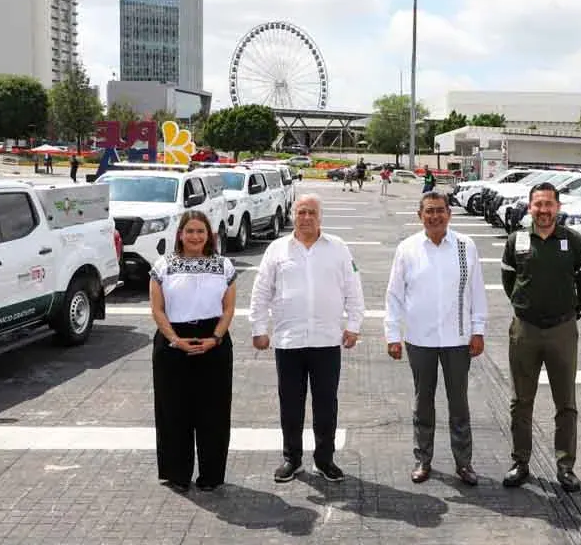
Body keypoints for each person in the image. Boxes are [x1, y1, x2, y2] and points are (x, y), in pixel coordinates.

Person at [250, 194, 365, 483]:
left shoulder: (338, 248)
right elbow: (261, 291)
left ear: (320, 216)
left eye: (312, 212)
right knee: (290, 403)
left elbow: (354, 289)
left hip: (326, 341)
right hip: (289, 341)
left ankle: (325, 460)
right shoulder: (277, 250)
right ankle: (292, 459)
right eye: (301, 212)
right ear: (293, 216)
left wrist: (353, 324)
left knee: (326, 404)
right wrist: (258, 329)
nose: (306, 217)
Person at [499, 182, 581, 492]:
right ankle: (521, 462)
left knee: (566, 403)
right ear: (530, 207)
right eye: (538, 204)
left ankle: (566, 466)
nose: (543, 210)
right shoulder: (516, 241)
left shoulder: (573, 241)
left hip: (562, 331)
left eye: (549, 205)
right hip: (525, 330)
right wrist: (524, 305)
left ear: (558, 208)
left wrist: (572, 310)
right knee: (520, 402)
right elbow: (509, 279)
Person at [385, 191, 488, 485]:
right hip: (420, 340)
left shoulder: (465, 246)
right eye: (429, 211)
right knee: (423, 402)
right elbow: (394, 295)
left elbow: (476, 292)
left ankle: (464, 463)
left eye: (440, 210)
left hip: (458, 339)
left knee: (459, 404)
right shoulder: (407, 249)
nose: (435, 216)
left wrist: (478, 330)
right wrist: (392, 334)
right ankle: (423, 459)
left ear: (449, 214)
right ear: (420, 216)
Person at [149, 211, 238, 493]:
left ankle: (211, 475)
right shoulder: (163, 265)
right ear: (180, 234)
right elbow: (157, 309)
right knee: (173, 410)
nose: (195, 236)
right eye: (190, 231)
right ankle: (177, 473)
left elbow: (228, 309)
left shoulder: (223, 266)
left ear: (209, 235)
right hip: (173, 342)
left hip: (214, 342)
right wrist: (175, 339)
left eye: (201, 231)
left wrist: (216, 337)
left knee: (214, 411)